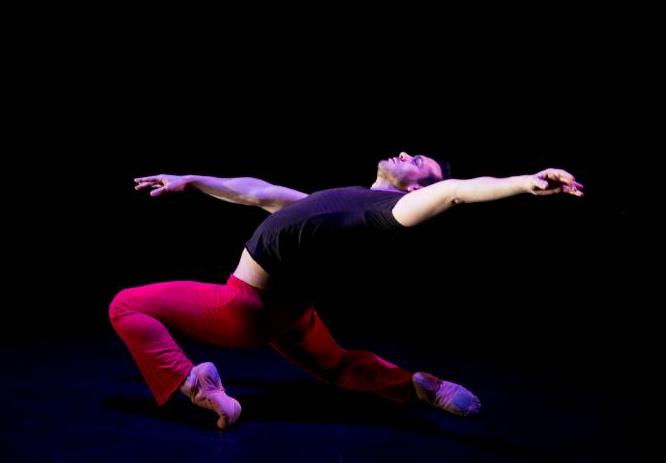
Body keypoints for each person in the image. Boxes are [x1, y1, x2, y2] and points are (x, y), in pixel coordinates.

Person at [109, 152, 583, 429]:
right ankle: (418, 387)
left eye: (417, 161)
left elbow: (454, 191)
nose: (405, 153)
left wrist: (525, 183)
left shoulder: (388, 212)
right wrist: (193, 181)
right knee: (337, 366)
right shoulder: (346, 205)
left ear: (417, 189)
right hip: (292, 316)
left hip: (245, 309)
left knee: (126, 305)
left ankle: (196, 387)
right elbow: (258, 193)